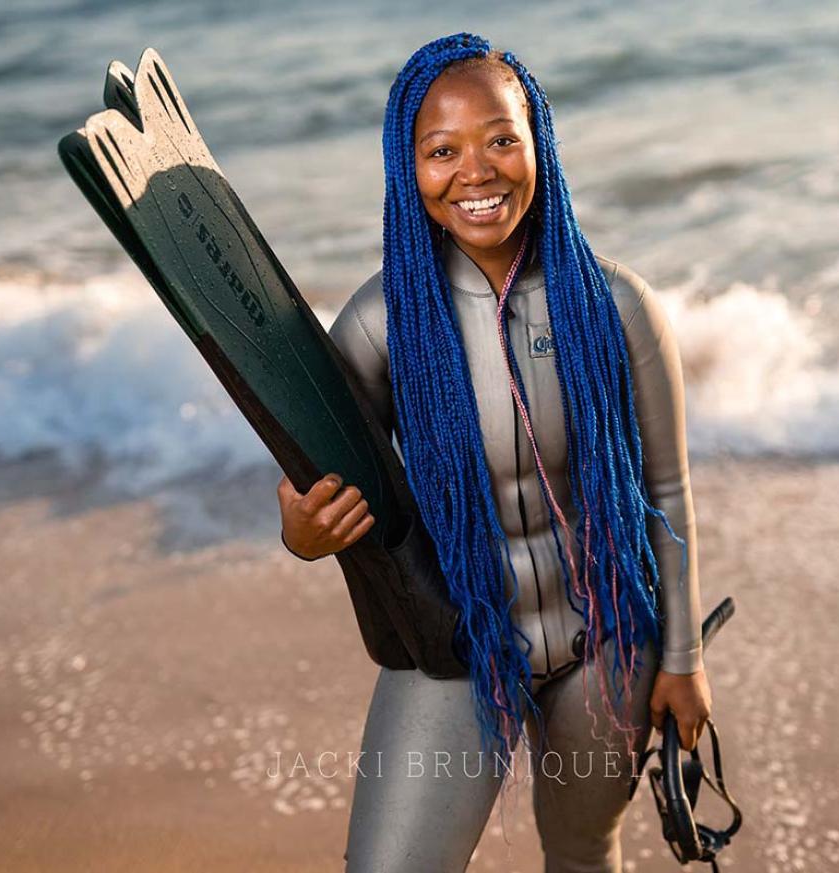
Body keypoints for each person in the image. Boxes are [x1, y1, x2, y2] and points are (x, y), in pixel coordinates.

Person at [276, 33, 710, 872]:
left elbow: (668, 488)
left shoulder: (619, 306)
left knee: (585, 852)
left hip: (605, 645)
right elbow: (319, 489)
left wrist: (683, 660)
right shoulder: (376, 326)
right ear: (411, 170)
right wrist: (303, 532)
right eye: (442, 150)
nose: (476, 171)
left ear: (537, 142)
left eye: (501, 139)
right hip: (457, 646)